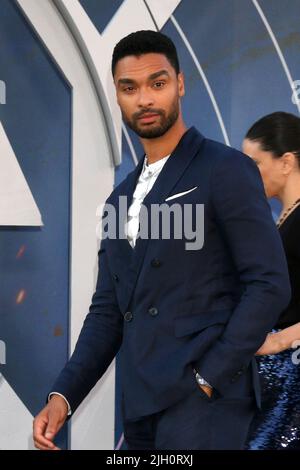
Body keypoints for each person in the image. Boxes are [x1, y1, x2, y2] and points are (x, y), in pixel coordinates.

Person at [33, 31, 290, 451]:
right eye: (129, 88)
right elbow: (107, 313)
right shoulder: (118, 200)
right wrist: (63, 397)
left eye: (158, 82)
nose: (145, 99)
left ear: (181, 84)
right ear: (116, 95)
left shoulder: (226, 169)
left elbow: (269, 284)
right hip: (140, 408)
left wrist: (209, 377)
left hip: (208, 406)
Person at [243, 111, 300, 449]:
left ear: (286, 162)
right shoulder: (285, 218)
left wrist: (279, 341)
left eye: (255, 163)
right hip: (276, 381)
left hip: (291, 381)